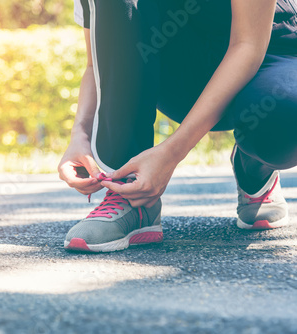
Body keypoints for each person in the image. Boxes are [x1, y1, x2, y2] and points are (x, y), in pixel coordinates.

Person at [58, 0, 297, 252]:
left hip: (266, 56)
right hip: (178, 65)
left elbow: (247, 45)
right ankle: (132, 195)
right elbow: (99, 60)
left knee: (287, 119)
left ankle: (254, 168)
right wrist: (81, 134)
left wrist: (171, 153)